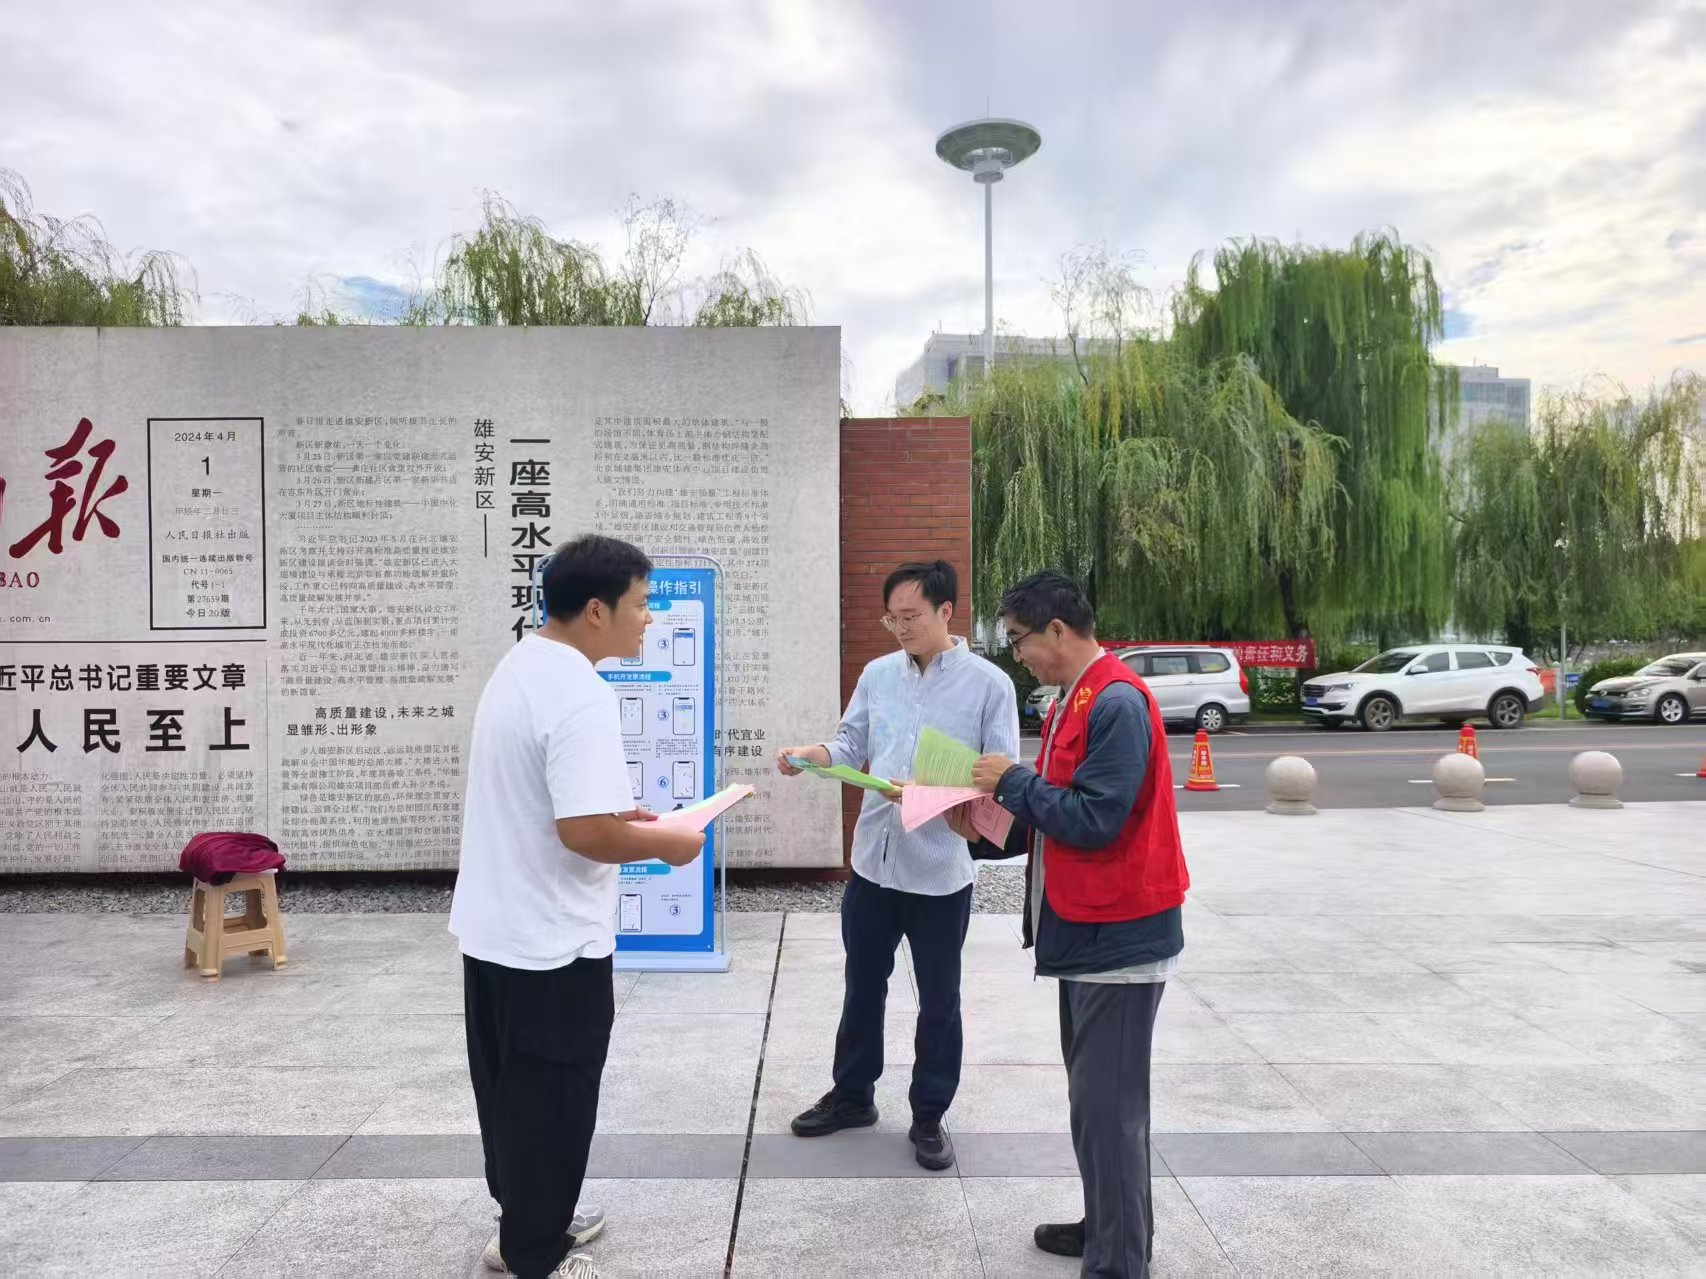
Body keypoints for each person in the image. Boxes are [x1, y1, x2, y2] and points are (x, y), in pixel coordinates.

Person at [450, 534, 706, 1279]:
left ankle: (525, 1221)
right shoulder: (581, 693)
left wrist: (622, 818)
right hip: (552, 942)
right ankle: (535, 1253)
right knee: (554, 1102)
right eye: (641, 604)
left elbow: (557, 802)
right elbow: (585, 832)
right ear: (596, 610)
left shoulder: (521, 665)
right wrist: (667, 844)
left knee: (510, 1093)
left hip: (496, 929)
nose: (649, 618)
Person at [951, 570, 1188, 1279]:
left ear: (1057, 629)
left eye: (1019, 640)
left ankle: (1119, 1261)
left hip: (1119, 935)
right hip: (1084, 931)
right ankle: (1107, 1229)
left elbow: (1096, 818)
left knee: (1110, 1110)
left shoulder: (1116, 701)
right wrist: (984, 827)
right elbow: (1057, 813)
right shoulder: (1075, 698)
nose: (1018, 655)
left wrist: (1012, 782)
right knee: (1096, 1107)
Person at [776, 560, 1018, 1170]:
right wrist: (814, 754)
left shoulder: (990, 685)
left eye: (912, 616)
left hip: (939, 869)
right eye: (892, 618)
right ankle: (852, 1097)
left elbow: (1000, 777)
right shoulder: (878, 674)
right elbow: (851, 743)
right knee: (862, 987)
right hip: (873, 864)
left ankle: (930, 1113)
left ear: (946, 611)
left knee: (939, 1000)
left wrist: (930, 793)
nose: (902, 628)